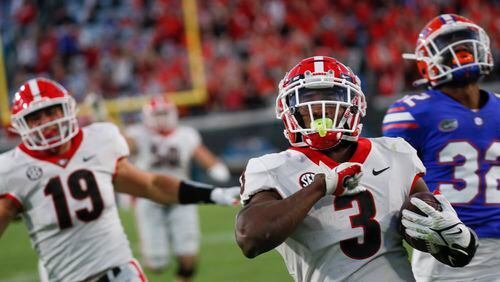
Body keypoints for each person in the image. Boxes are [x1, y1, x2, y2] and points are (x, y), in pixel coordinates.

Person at [234, 56, 478, 282]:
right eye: (308, 99)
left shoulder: (395, 153)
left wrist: (460, 240)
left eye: (332, 99)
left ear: (354, 106)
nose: (320, 109)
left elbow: (440, 242)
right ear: (288, 110)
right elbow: (251, 238)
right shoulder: (273, 167)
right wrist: (321, 186)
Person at [0, 78, 239, 282]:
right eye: (35, 117)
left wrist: (210, 194)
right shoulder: (12, 169)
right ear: (21, 124)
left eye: (51, 111)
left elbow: (151, 185)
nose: (46, 123)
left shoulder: (99, 140)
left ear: (66, 110)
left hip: (119, 272)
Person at [382, 14, 499, 281]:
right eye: (450, 44)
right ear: (427, 61)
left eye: (466, 43)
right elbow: (392, 184)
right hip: (450, 246)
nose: (462, 50)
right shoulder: (413, 112)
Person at [124, 96, 231, 281]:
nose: (161, 118)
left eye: (165, 113)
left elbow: (201, 154)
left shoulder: (186, 135)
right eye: (157, 114)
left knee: (188, 255)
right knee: (157, 264)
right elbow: (125, 145)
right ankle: (151, 255)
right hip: (149, 197)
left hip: (180, 194)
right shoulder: (138, 134)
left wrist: (215, 167)